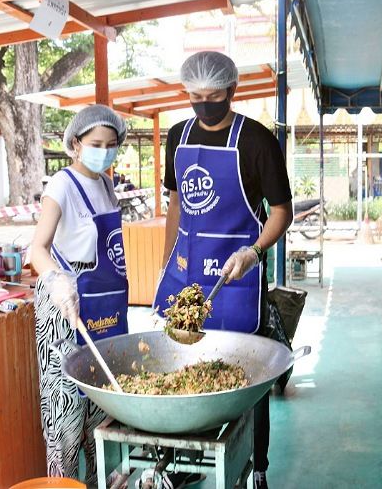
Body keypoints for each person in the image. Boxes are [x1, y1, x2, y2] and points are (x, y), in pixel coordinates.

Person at [153, 51, 293, 489]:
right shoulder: (177, 135)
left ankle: (259, 466)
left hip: (237, 275)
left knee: (248, 378)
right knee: (184, 368)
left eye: (212, 96)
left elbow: (281, 212)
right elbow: (177, 203)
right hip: (185, 274)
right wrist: (164, 265)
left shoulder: (256, 141)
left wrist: (255, 250)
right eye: (195, 96)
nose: (203, 104)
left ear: (231, 91)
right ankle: (182, 460)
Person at [30, 105, 130, 487]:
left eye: (111, 145)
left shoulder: (106, 184)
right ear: (75, 144)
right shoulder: (62, 185)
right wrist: (56, 280)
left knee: (100, 410)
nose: (104, 152)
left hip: (103, 305)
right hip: (65, 304)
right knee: (68, 416)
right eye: (95, 144)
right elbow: (37, 248)